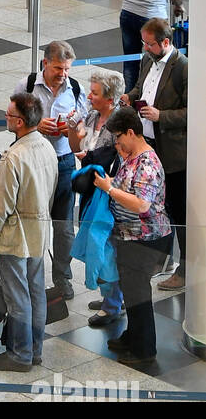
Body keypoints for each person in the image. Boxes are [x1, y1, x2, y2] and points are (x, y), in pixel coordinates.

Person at [91, 107, 173, 366]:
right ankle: (132, 336)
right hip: (129, 237)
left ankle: (144, 349)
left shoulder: (147, 162)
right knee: (131, 291)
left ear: (130, 132)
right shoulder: (132, 155)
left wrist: (110, 190)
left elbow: (142, 205)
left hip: (146, 239)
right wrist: (111, 181)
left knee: (138, 295)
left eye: (118, 137)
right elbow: (126, 183)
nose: (116, 143)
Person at [0, 91, 60, 371]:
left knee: (17, 298)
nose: (6, 117)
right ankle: (35, 350)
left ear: (19, 122)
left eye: (9, 114)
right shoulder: (47, 148)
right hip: (40, 231)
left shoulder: (12, 158)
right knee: (36, 292)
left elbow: (0, 207)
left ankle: (20, 354)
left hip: (15, 237)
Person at [124, 18, 188, 291]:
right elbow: (141, 88)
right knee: (154, 208)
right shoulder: (148, 59)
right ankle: (160, 261)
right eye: (144, 43)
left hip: (173, 154)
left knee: (177, 211)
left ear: (166, 42)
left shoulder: (183, 68)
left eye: (150, 43)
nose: (146, 48)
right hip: (149, 146)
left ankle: (185, 269)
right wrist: (131, 96)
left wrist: (161, 115)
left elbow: (193, 111)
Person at [22, 39, 86, 299]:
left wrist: (71, 130)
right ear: (45, 63)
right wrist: (37, 126)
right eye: (59, 68)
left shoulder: (76, 89)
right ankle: (31, 277)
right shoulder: (27, 86)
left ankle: (63, 278)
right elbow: (13, 123)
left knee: (63, 227)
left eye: (67, 69)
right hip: (34, 162)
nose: (63, 74)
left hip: (64, 162)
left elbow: (83, 128)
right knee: (32, 222)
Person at [67, 67, 125, 327]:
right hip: (90, 192)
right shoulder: (91, 117)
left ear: (110, 99)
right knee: (97, 244)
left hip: (108, 197)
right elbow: (76, 147)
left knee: (106, 246)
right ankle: (109, 296)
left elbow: (123, 163)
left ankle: (113, 304)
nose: (89, 97)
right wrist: (73, 134)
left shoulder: (120, 126)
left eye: (95, 93)